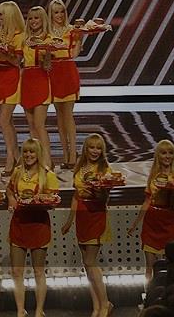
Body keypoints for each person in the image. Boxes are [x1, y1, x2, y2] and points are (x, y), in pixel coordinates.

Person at [62, 134, 114, 317]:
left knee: (91, 262)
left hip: (96, 215)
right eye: (92, 147)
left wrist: (98, 190)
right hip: (81, 217)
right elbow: (76, 196)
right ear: (86, 148)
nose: (95, 151)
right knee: (86, 264)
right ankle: (96, 307)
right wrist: (69, 221)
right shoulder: (79, 167)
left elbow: (105, 198)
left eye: (98, 148)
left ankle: (105, 304)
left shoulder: (105, 169)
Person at [7, 138, 60, 317]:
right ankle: (20, 310)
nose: (28, 155)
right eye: (26, 151)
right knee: (16, 271)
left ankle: (39, 311)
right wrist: (11, 199)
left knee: (38, 271)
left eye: (32, 151)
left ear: (38, 154)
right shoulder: (17, 172)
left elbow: (53, 201)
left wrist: (42, 201)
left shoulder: (48, 175)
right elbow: (9, 190)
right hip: (19, 224)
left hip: (38, 225)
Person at [129, 140, 174, 283]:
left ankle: (169, 292)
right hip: (151, 221)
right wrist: (135, 224)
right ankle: (150, 293)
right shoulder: (153, 174)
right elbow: (147, 201)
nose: (167, 156)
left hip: (169, 221)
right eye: (164, 153)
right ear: (158, 155)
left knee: (170, 266)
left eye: (170, 153)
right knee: (150, 267)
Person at [0, 1, 25, 176]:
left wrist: (2, 52)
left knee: (3, 120)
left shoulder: (20, 35)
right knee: (8, 121)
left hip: (12, 77)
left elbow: (16, 61)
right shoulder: (2, 34)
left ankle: (10, 158)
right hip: (0, 76)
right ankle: (16, 156)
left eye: (1, 14)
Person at [48, 0, 82, 168]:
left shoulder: (71, 31)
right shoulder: (46, 33)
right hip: (53, 73)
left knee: (68, 115)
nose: (59, 15)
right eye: (56, 12)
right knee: (59, 117)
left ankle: (73, 155)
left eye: (62, 11)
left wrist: (80, 38)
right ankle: (65, 154)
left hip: (68, 72)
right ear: (51, 14)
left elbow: (74, 54)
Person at [22, 7, 54, 168]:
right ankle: (36, 161)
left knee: (39, 124)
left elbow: (48, 66)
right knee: (31, 125)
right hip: (26, 81)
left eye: (37, 18)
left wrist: (46, 54)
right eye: (31, 18)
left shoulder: (48, 39)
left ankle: (48, 161)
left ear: (43, 20)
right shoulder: (25, 38)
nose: (33, 21)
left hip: (41, 81)